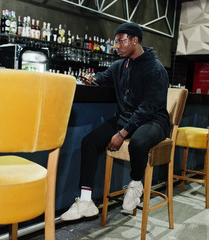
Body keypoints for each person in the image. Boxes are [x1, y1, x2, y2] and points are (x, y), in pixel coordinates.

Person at [61, 22, 170, 221]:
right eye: (116, 42)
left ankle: (136, 184)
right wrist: (91, 79)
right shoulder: (120, 65)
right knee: (89, 142)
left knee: (137, 142)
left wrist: (122, 133)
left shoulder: (155, 69)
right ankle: (86, 201)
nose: (116, 46)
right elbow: (103, 77)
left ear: (135, 40)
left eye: (121, 41)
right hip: (126, 118)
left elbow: (147, 109)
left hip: (153, 121)